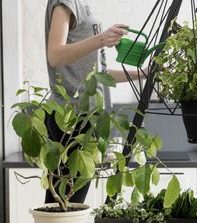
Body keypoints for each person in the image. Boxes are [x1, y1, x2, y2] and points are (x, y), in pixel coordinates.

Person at [44, 0, 143, 204]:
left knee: (63, 203)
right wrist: (101, 39)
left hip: (87, 115)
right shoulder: (66, 3)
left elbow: (98, 73)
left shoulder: (82, 5)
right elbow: (54, 55)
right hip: (71, 117)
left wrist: (142, 74)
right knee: (68, 204)